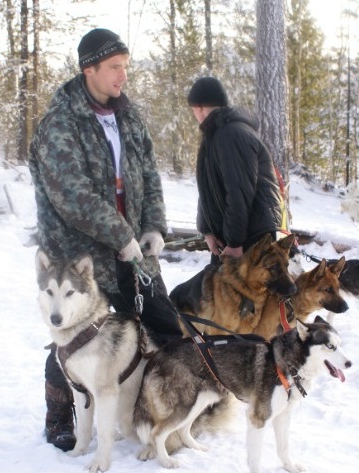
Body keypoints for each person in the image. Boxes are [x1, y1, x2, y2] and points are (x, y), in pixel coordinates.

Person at [28, 28, 184, 452]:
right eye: (114, 68)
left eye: (126, 68)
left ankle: (169, 410)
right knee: (76, 338)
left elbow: (150, 175)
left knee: (164, 325)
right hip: (79, 258)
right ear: (88, 69)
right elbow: (73, 195)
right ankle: (60, 415)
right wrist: (122, 235)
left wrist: (153, 226)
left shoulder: (128, 117)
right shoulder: (59, 124)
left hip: (131, 250)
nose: (122, 77)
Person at [187, 76, 284, 263]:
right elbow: (208, 189)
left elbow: (239, 193)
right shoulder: (214, 135)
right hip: (230, 236)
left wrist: (235, 242)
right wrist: (207, 229)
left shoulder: (231, 134)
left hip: (252, 239)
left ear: (198, 107)